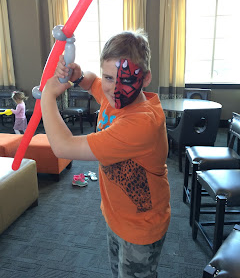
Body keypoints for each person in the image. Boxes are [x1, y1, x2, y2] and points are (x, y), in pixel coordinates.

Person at [41, 30, 170, 278]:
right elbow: (92, 83)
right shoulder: (114, 97)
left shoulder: (142, 123)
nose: (115, 89)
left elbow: (63, 146)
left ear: (145, 78)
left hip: (141, 226)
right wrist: (77, 76)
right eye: (109, 77)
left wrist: (47, 97)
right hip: (116, 215)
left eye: (126, 80)